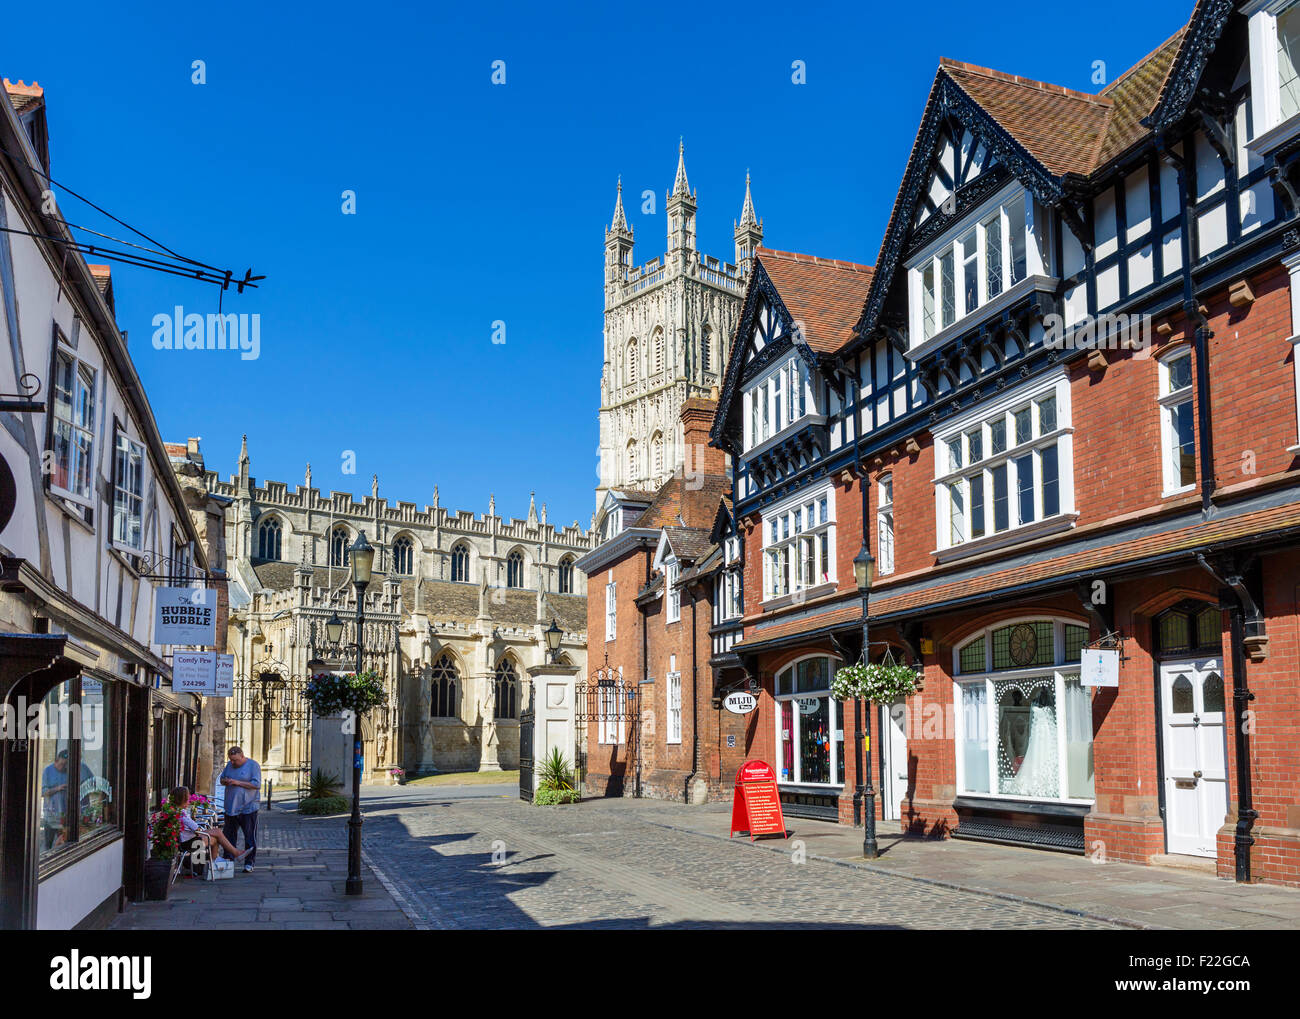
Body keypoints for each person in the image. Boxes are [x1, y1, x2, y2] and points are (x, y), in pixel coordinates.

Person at [169, 786, 248, 866]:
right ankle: (231, 855)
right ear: (183, 800)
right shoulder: (182, 814)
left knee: (215, 838)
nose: (189, 799)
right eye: (188, 797)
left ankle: (218, 860)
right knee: (217, 832)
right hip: (189, 842)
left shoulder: (176, 811)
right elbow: (197, 828)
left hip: (186, 840)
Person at [218, 746, 261, 872]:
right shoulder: (229, 766)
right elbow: (222, 779)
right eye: (231, 760)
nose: (233, 763)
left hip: (248, 807)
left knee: (249, 836)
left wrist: (238, 782)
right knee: (229, 836)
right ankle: (228, 860)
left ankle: (249, 863)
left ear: (242, 756)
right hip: (231, 807)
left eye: (235, 760)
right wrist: (225, 781)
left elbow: (256, 784)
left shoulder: (253, 766)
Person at [40, 749, 93, 850]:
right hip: (52, 816)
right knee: (48, 846)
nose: (64, 767)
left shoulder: (80, 768)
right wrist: (58, 788)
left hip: (70, 817)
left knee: (67, 845)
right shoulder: (48, 771)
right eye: (62, 764)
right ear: (56, 761)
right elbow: (43, 793)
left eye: (66, 765)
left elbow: (93, 784)